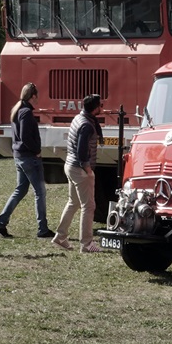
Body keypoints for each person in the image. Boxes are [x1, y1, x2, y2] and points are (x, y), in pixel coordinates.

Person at [0, 83, 54, 239]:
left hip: (19, 156)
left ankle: (0, 223)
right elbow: (25, 136)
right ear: (33, 96)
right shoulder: (26, 112)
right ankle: (42, 229)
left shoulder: (17, 110)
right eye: (37, 96)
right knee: (40, 192)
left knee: (21, 190)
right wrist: (36, 151)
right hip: (29, 157)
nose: (38, 99)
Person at [53, 94, 103, 253]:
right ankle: (87, 244)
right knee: (88, 206)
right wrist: (88, 171)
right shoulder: (87, 125)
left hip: (69, 165)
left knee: (73, 202)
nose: (102, 107)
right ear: (95, 108)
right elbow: (82, 152)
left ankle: (60, 237)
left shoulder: (80, 118)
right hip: (79, 169)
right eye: (100, 105)